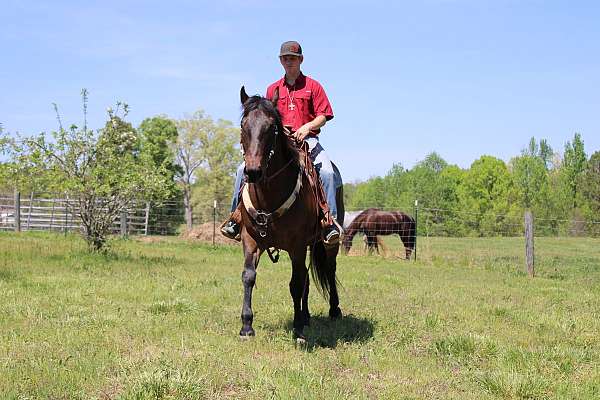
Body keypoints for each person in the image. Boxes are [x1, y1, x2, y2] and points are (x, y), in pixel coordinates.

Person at [221, 40, 341, 244]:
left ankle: (329, 222)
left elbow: (324, 115)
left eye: (293, 58)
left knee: (328, 173)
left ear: (301, 60)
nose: (289, 61)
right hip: (280, 142)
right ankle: (236, 217)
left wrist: (307, 127)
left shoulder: (313, 86)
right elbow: (267, 120)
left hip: (308, 139)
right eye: (285, 58)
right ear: (280, 61)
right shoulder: (272, 89)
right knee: (243, 169)